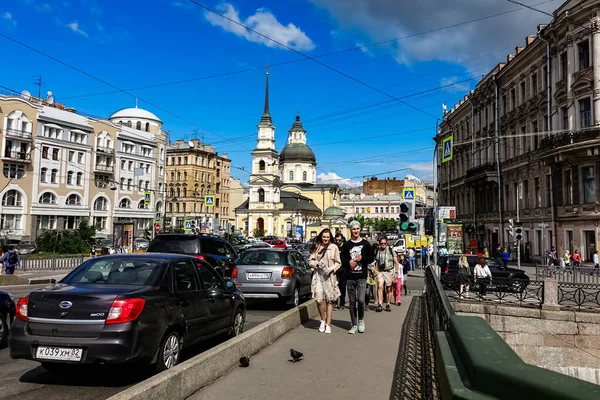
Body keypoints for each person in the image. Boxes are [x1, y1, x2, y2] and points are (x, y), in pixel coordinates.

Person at [340, 220, 374, 334]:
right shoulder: (346, 245)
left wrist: (361, 259)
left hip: (361, 276)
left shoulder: (365, 244)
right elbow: (342, 259)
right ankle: (354, 324)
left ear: (360, 229)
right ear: (350, 230)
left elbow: (371, 258)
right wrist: (348, 262)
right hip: (350, 276)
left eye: (357, 229)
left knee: (360, 300)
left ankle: (361, 320)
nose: (356, 231)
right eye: (353, 229)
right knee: (352, 301)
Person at [309, 229, 341, 335]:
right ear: (321, 237)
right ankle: (322, 320)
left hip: (330, 277)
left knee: (329, 301)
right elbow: (310, 261)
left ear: (330, 237)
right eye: (324, 237)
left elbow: (338, 262)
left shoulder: (334, 247)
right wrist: (317, 264)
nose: (325, 239)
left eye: (327, 237)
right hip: (318, 276)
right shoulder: (317, 247)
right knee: (319, 300)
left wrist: (331, 269)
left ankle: (328, 324)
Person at [374, 236, 399, 312]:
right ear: (379, 243)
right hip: (380, 271)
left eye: (384, 243)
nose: (383, 245)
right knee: (380, 286)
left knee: (389, 289)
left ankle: (388, 304)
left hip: (389, 271)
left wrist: (396, 273)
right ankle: (380, 304)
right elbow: (376, 261)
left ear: (386, 243)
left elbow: (396, 262)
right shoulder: (378, 250)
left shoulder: (391, 250)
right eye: (381, 243)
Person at [334, 233, 346, 310]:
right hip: (335, 269)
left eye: (339, 240)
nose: (338, 241)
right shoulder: (334, 247)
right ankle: (335, 302)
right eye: (337, 240)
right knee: (334, 286)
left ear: (342, 239)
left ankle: (342, 303)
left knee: (342, 286)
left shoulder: (345, 247)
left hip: (343, 269)